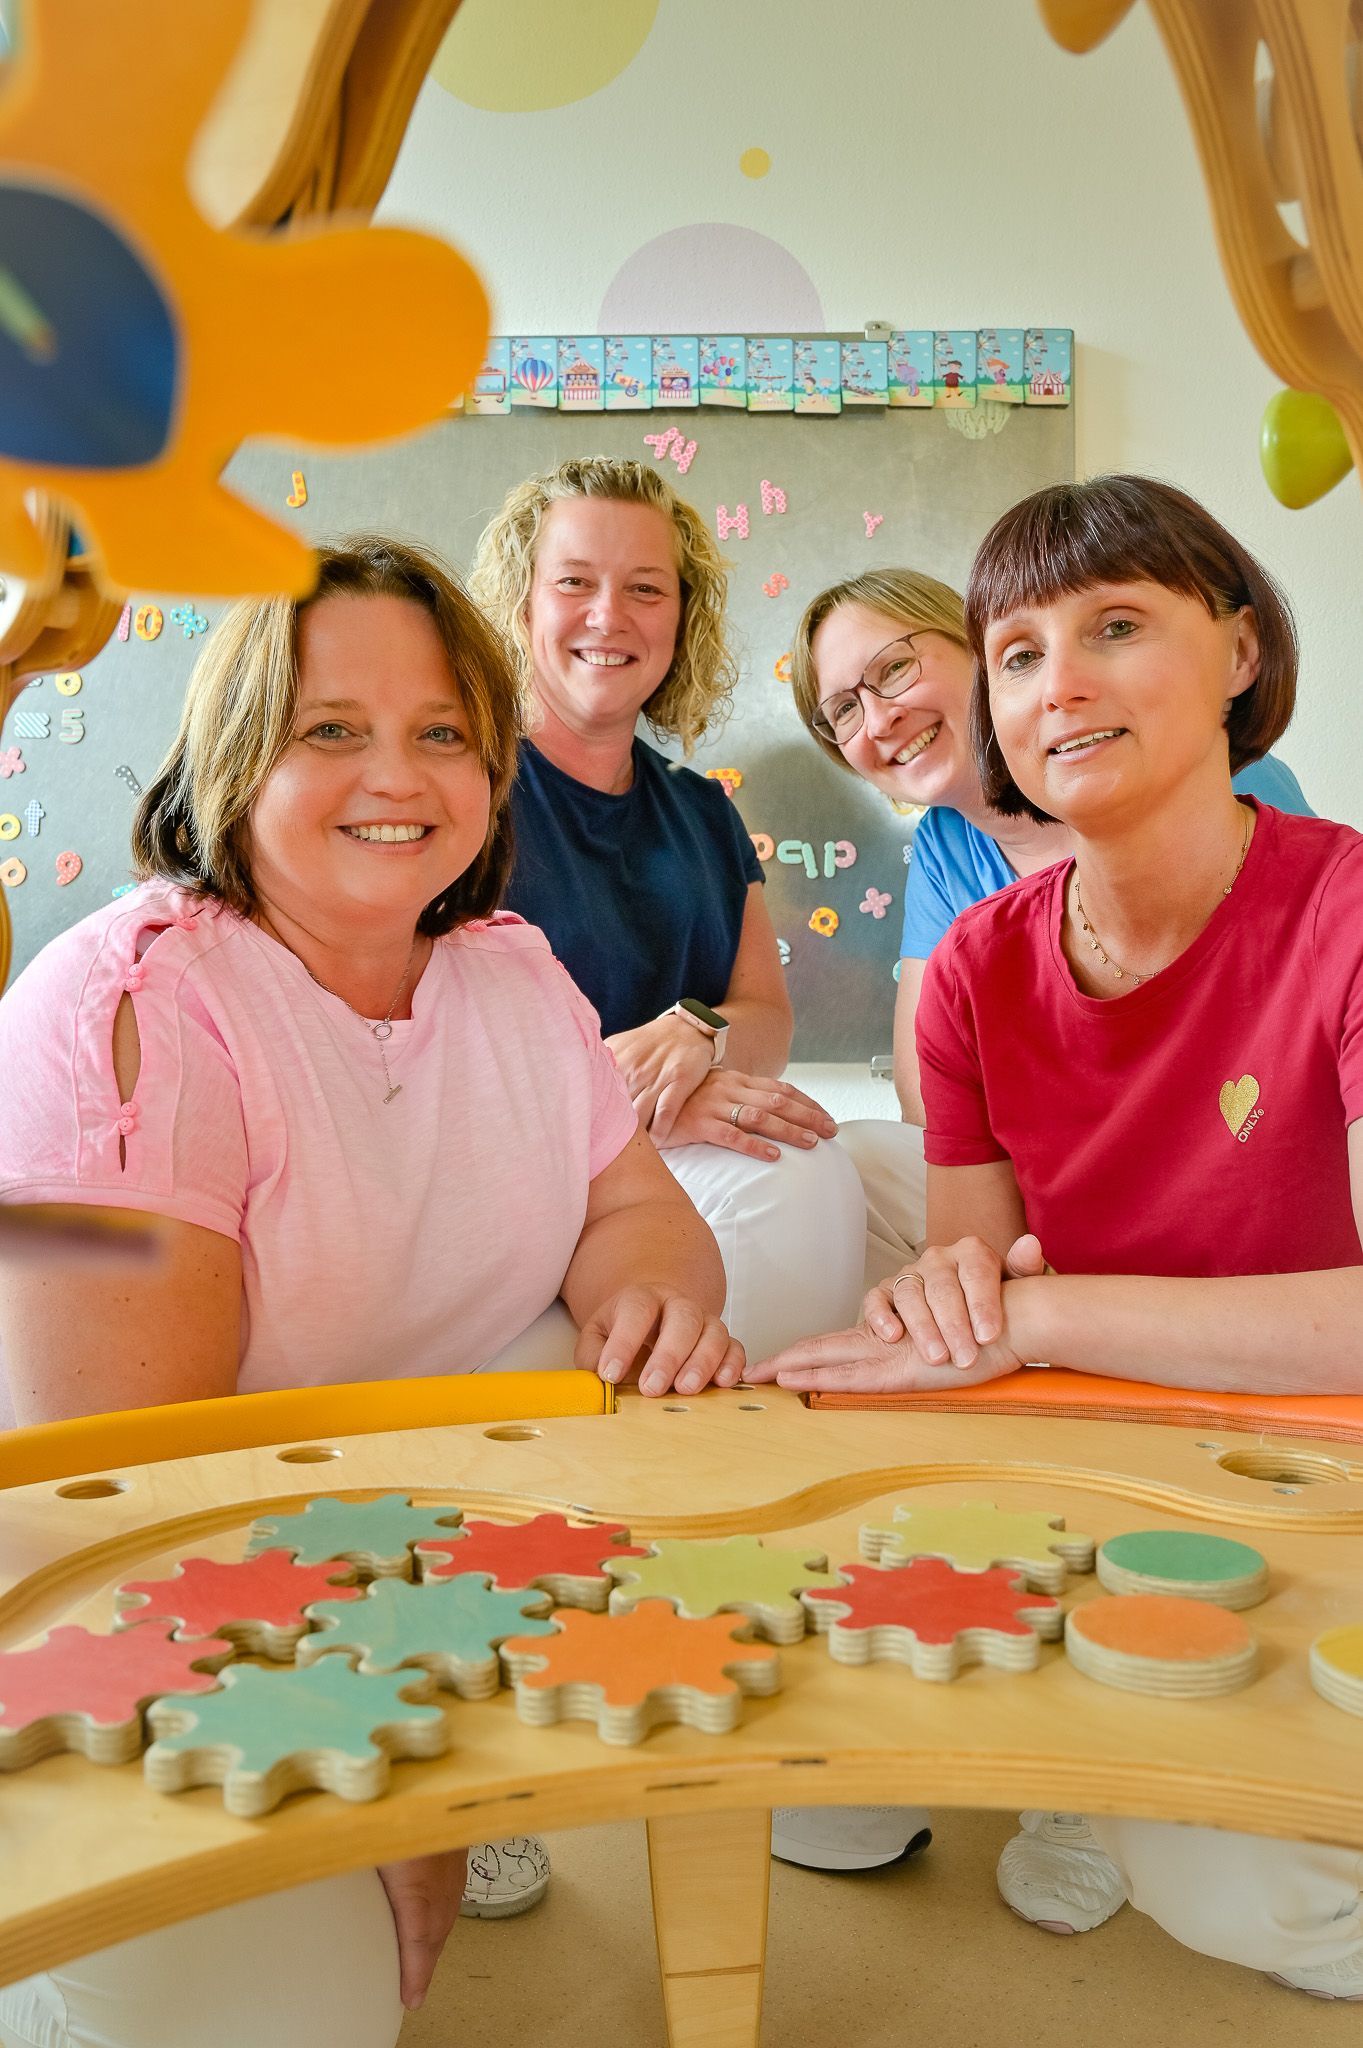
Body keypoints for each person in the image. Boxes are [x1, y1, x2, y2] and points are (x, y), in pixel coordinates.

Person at [0, 535, 743, 2048]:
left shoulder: (511, 972)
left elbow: (631, 1211)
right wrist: (403, 1761)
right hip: (116, 1599)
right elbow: (129, 1488)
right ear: (231, 758)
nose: (394, 775)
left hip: (382, 1564)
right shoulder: (130, 1008)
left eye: (443, 734)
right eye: (330, 728)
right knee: (292, 2022)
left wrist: (652, 1290)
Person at [754, 475, 1363, 2000]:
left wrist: (1032, 1318)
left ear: (1234, 651)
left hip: (1326, 1477)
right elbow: (978, 1288)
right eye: (1016, 651)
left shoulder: (1343, 908)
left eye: (1112, 628)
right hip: (1122, 1468)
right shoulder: (969, 968)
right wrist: (946, 1333)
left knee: (1261, 1897)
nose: (1058, 682)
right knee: (823, 1764)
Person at [468, 457, 866, 1367]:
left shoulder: (701, 810)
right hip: (529, 1174)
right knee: (802, 1185)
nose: (610, 617)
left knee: (862, 1167)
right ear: (521, 604)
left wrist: (697, 1036)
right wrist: (626, 1107)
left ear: (680, 620)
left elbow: (763, 1015)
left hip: (662, 1162)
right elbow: (425, 1052)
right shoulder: (461, 793)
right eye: (575, 583)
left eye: (645, 589)